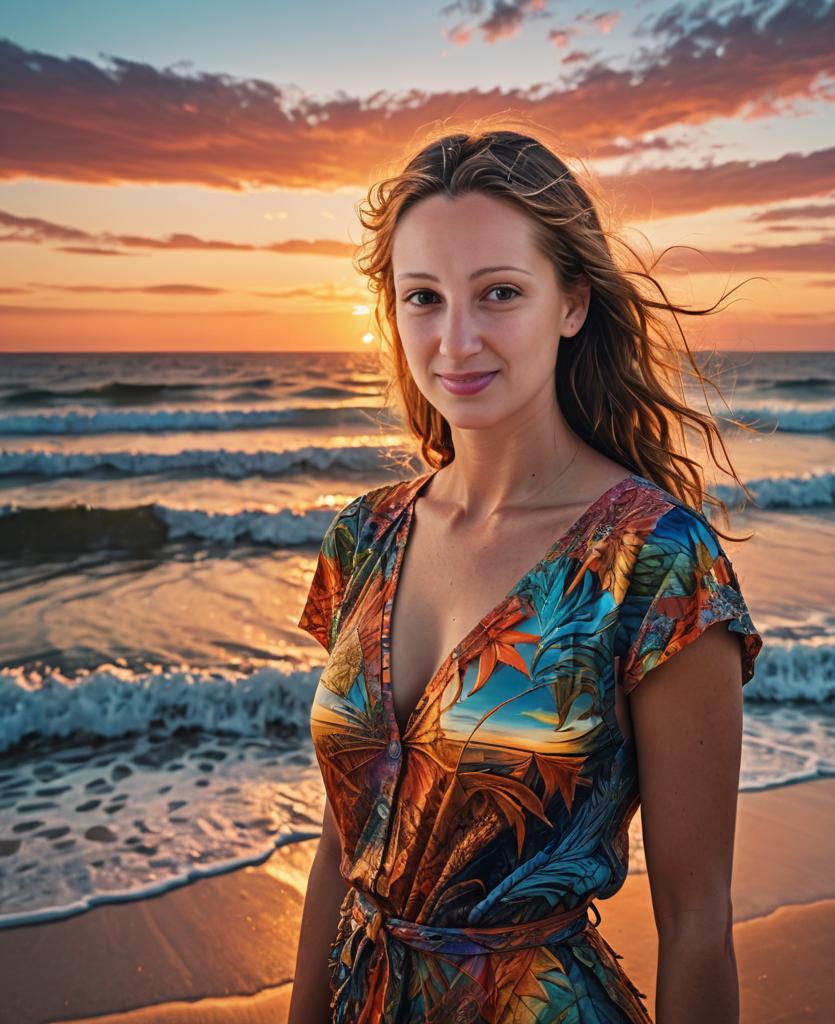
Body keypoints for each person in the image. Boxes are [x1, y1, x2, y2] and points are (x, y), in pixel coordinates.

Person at [288, 122, 765, 1024]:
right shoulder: (366, 534)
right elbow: (339, 845)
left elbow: (698, 923)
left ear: (572, 303)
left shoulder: (656, 561)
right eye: (423, 297)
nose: (456, 340)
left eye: (498, 292)